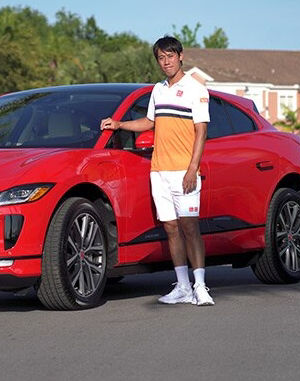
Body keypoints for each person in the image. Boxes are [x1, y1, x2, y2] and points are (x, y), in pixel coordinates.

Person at [100, 36, 213, 306]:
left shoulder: (196, 89)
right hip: (159, 170)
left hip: (183, 171)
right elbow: (150, 122)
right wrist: (119, 125)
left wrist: (192, 169)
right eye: (161, 58)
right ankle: (183, 287)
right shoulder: (158, 90)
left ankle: (200, 286)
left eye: (170, 56)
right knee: (171, 228)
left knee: (189, 227)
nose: (166, 62)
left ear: (181, 56)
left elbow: (201, 132)